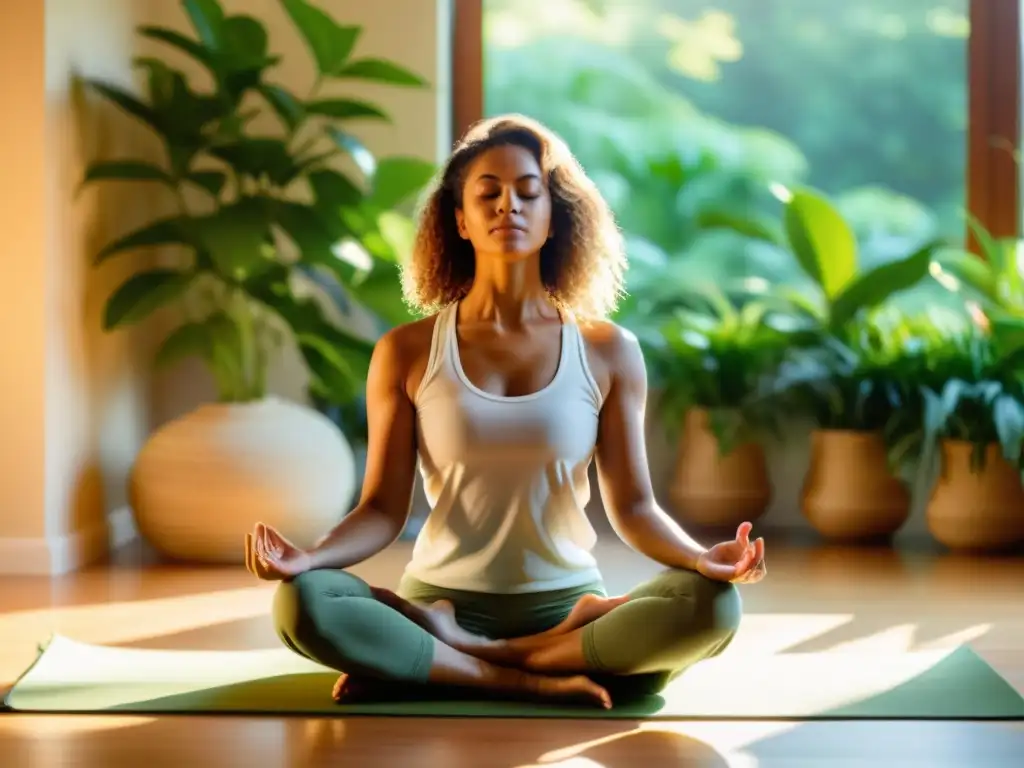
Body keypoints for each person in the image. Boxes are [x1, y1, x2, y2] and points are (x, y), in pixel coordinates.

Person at [244, 114, 767, 709]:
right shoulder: (408, 351)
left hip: (566, 606)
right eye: (487, 194)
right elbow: (383, 509)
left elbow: (636, 508)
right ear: (460, 222)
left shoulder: (608, 351)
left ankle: (443, 661)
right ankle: (520, 675)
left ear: (553, 216)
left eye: (527, 192)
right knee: (301, 604)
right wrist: (308, 558)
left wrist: (703, 559)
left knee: (714, 605)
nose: (507, 206)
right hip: (440, 598)